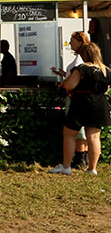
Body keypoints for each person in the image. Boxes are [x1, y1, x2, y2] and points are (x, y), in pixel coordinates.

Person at [49, 42, 111, 175]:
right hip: (99, 104)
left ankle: (66, 167)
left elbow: (70, 85)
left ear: (84, 54)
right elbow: (107, 89)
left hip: (81, 103)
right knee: (94, 137)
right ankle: (92, 169)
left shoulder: (82, 68)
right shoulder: (105, 70)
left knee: (69, 134)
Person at [51, 31, 90, 168]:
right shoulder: (84, 57)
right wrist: (63, 74)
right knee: (83, 129)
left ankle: (80, 159)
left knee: (76, 128)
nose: (70, 43)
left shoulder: (80, 60)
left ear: (80, 42)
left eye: (72, 41)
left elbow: (76, 77)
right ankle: (83, 158)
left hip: (73, 96)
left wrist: (65, 82)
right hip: (80, 96)